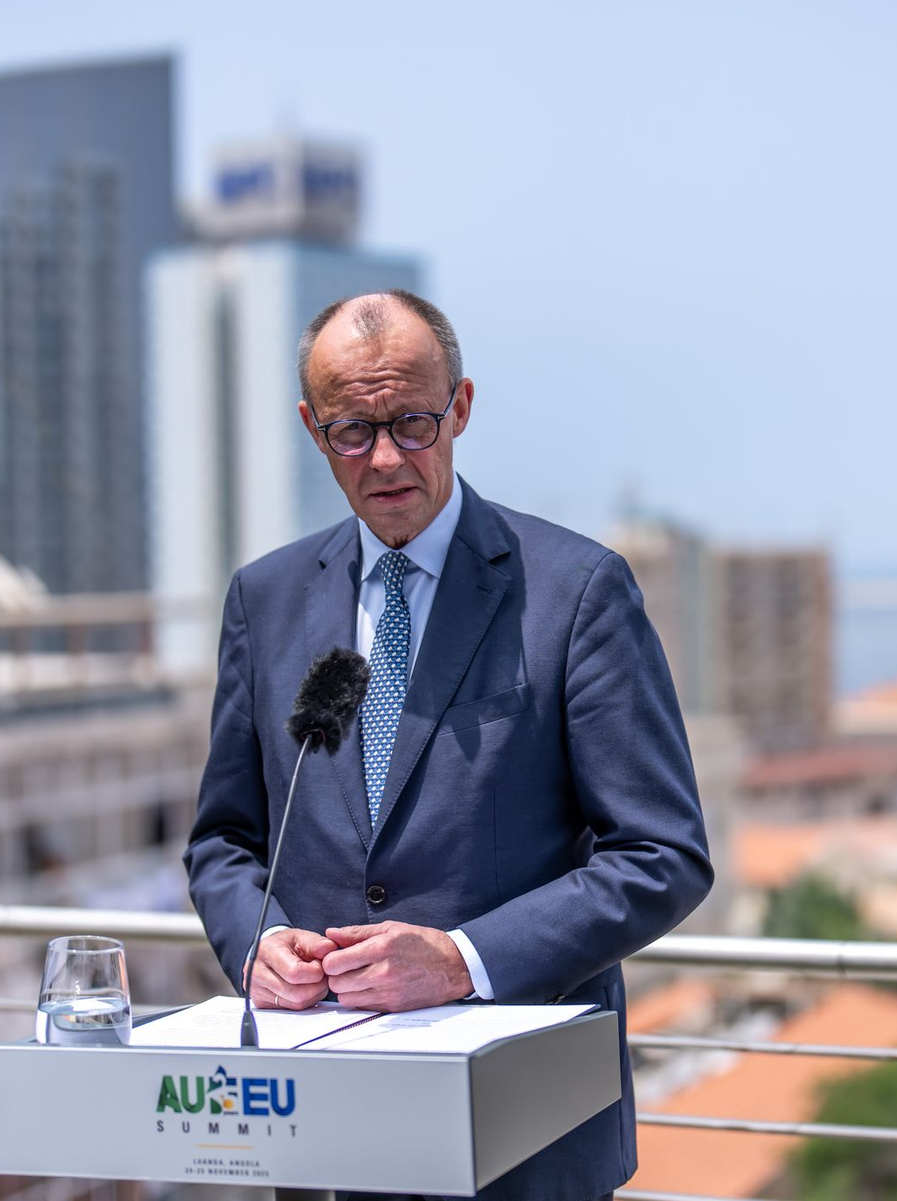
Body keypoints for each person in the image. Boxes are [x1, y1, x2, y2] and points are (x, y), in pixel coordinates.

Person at [185, 289, 713, 1201]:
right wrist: (255, 942)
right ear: (314, 430)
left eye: (413, 422)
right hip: (322, 1140)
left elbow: (663, 854)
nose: (387, 457)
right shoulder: (263, 599)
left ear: (461, 407)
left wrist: (463, 960)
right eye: (354, 430)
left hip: (522, 1140)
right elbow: (224, 839)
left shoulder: (577, 590)